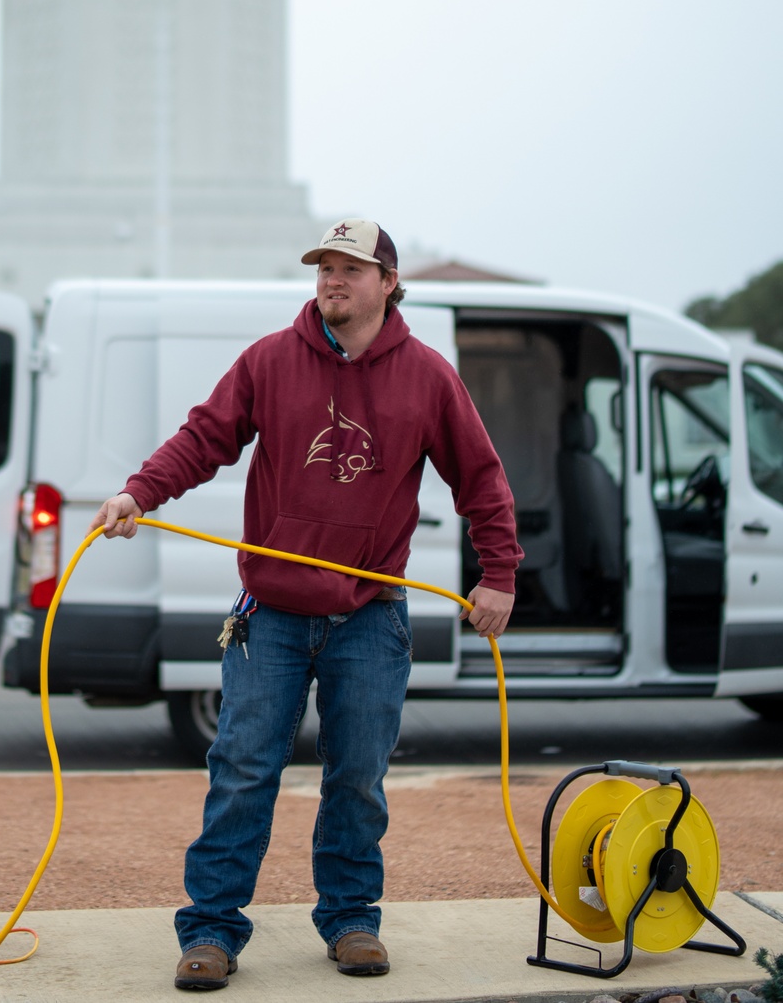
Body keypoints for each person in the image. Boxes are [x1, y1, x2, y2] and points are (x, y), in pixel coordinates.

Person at [89, 218, 521, 991]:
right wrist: (138, 493)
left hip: (371, 616)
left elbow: (480, 478)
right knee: (242, 771)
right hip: (271, 616)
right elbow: (202, 439)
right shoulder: (269, 360)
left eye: (350, 267)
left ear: (388, 282)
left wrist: (500, 573)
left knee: (357, 777)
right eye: (324, 266)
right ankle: (211, 930)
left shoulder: (428, 377)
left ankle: (352, 920)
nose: (332, 279)